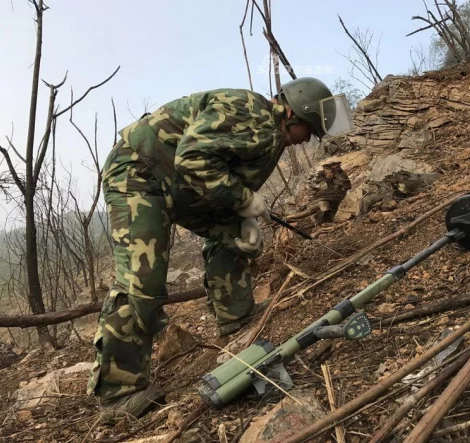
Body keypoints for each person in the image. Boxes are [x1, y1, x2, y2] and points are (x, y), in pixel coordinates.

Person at [87, 77, 354, 420]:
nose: (307, 141)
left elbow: (218, 173)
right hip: (141, 173)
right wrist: (245, 200)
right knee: (143, 277)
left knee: (236, 234)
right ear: (293, 113)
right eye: (309, 131)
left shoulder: (272, 132)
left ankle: (235, 314)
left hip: (181, 184)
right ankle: (117, 393)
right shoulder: (255, 116)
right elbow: (192, 158)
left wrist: (239, 214)